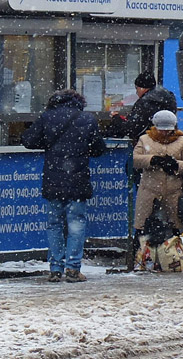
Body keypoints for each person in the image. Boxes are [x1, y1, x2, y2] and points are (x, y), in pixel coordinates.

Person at [20, 89, 108, 283]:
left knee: (54, 225)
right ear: (79, 102)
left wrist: (50, 144)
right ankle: (73, 268)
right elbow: (99, 148)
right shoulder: (87, 119)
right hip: (77, 180)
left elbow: (28, 140)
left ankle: (55, 268)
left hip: (53, 180)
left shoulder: (47, 117)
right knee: (76, 224)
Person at [131, 110, 183, 248]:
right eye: (162, 130)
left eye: (168, 130)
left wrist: (176, 164)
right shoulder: (144, 140)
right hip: (149, 192)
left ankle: (169, 260)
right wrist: (152, 160)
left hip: (174, 194)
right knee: (143, 229)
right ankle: (141, 258)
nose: (165, 133)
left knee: (173, 230)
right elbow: (135, 160)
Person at [108, 71, 178, 139]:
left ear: (142, 88)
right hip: (168, 139)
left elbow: (131, 129)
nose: (136, 92)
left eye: (136, 88)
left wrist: (116, 118)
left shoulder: (145, 102)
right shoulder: (167, 97)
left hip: (149, 141)